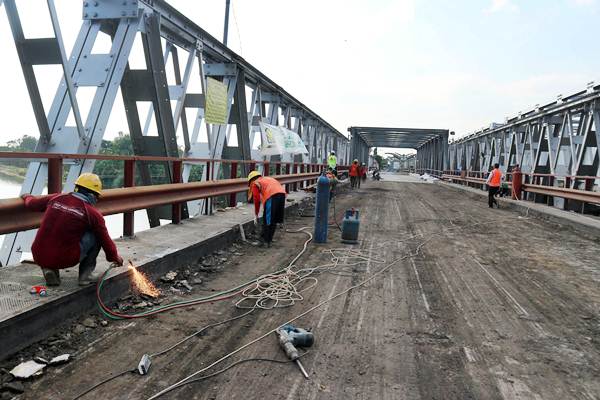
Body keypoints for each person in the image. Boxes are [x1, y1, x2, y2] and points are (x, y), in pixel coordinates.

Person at [21, 173, 123, 286]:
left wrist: (26, 196)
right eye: (97, 196)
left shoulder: (56, 197)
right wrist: (114, 257)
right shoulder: (92, 213)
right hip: (65, 259)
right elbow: (106, 241)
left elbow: (32, 204)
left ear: (77, 188)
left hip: (38, 255)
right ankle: (85, 276)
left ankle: (49, 269)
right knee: (96, 235)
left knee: (56, 234)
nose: (97, 199)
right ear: (92, 195)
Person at [248, 170, 286, 247]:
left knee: (267, 219)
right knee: (274, 219)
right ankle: (269, 239)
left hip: (272, 196)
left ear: (252, 180)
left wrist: (256, 214)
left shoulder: (255, 183)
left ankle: (264, 241)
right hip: (282, 195)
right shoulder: (267, 179)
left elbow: (256, 199)